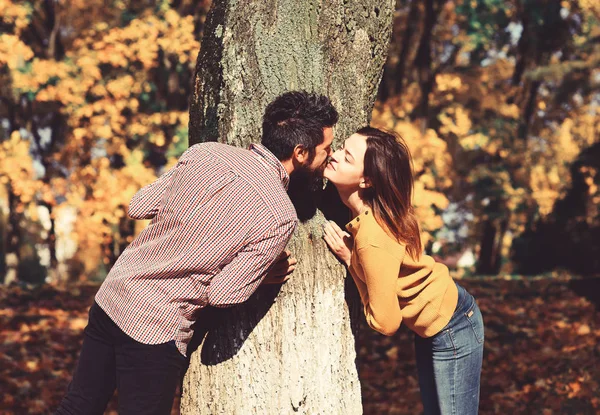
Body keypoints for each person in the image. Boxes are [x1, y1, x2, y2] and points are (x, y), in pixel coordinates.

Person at [55, 91, 338, 415]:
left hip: (114, 295)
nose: (329, 156)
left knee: (77, 406)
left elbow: (138, 205)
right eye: (326, 149)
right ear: (300, 153)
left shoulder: (205, 153)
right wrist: (260, 276)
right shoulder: (279, 215)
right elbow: (221, 293)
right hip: (156, 327)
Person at [322, 127, 484, 415]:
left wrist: (350, 262)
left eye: (347, 157)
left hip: (453, 325)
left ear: (366, 180)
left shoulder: (372, 235)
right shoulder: (375, 211)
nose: (333, 156)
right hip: (440, 322)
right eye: (340, 149)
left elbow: (386, 322)